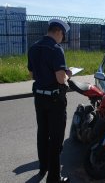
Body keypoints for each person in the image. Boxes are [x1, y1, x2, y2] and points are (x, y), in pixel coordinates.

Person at [27, 19, 71, 183]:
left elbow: (32, 75)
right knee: (56, 137)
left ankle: (43, 167)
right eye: (63, 36)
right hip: (54, 99)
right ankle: (54, 178)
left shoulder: (33, 47)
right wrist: (68, 74)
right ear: (59, 32)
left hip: (39, 97)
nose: (62, 40)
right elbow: (61, 79)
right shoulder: (55, 49)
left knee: (42, 133)